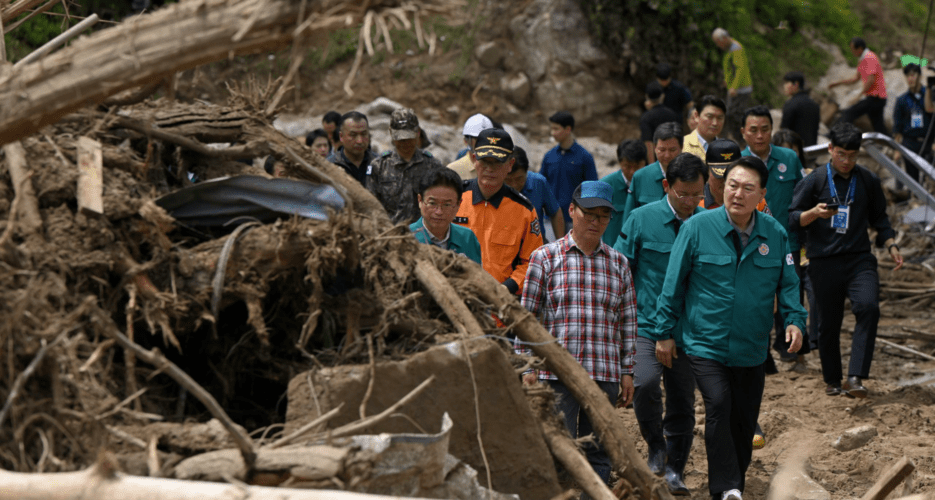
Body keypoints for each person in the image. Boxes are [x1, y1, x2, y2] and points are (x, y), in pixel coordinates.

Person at [655, 155, 807, 500]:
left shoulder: (776, 234)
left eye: (747, 188)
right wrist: (663, 332)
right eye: (732, 185)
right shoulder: (697, 227)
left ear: (762, 194)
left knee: (743, 419)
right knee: (719, 404)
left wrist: (795, 321)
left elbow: (788, 284)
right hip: (706, 343)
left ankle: (733, 481)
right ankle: (726, 489)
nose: (737, 194)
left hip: (752, 347)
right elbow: (673, 283)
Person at [520, 180, 637, 490]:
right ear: (572, 211)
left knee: (599, 453)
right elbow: (526, 318)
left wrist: (627, 372)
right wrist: (528, 367)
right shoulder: (545, 258)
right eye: (589, 213)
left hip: (604, 374)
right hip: (557, 373)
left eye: (603, 215)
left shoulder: (619, 264)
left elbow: (627, 322)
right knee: (558, 450)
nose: (596, 222)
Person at [789, 122, 904, 398]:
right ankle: (833, 379)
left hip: (859, 260)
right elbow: (793, 218)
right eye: (841, 154)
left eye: (852, 155)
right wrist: (814, 213)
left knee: (868, 307)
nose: (847, 161)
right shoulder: (815, 179)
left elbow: (880, 219)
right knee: (829, 323)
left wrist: (890, 244)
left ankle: (856, 376)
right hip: (823, 261)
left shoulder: (867, 180)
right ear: (830, 149)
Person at [614, 153, 707, 496]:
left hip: (688, 331)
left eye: (697, 195)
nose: (689, 203)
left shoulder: (706, 223)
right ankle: (656, 446)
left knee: (684, 399)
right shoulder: (641, 219)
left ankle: (674, 469)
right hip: (645, 324)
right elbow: (620, 271)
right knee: (646, 383)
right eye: (683, 194)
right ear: (667, 186)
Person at [741, 106, 808, 368]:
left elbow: (804, 193)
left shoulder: (789, 159)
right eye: (753, 130)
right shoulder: (737, 162)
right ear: (743, 132)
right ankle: (761, 354)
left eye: (765, 129)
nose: (759, 135)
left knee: (792, 293)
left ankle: (793, 349)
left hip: (788, 241)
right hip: (750, 244)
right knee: (756, 298)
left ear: (772, 130)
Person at [455, 128, 543, 295]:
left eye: (497, 162)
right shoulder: (453, 199)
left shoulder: (523, 210)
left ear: (510, 164)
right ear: (474, 159)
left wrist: (507, 288)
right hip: (454, 298)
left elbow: (533, 262)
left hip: (501, 307)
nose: (490, 168)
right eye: (485, 161)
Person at [366, 108, 444, 225]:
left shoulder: (433, 166)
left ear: (418, 133)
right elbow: (371, 206)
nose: (405, 142)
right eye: (400, 138)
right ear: (391, 133)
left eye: (409, 137)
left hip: (425, 236)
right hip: (390, 235)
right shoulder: (379, 166)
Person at [540, 111, 598, 231]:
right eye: (551, 129)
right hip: (550, 219)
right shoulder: (549, 156)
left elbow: (592, 189)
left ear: (568, 129)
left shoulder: (584, 157)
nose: (552, 133)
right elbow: (541, 185)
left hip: (575, 219)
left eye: (556, 129)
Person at [410, 167, 482, 264]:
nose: (439, 212)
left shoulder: (467, 237)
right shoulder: (405, 238)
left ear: (458, 204)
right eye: (432, 203)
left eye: (447, 205)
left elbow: (477, 276)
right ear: (420, 200)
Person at [622, 122, 682, 222]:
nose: (667, 155)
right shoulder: (640, 177)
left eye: (672, 150)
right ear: (654, 148)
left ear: (681, 148)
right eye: (662, 149)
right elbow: (628, 220)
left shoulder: (691, 176)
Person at [504, 146, 565, 241]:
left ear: (526, 171)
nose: (514, 185)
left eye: (519, 179)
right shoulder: (495, 186)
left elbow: (555, 212)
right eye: (508, 180)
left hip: (537, 245)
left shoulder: (539, 182)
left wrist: (560, 244)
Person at [830, 37, 888, 135]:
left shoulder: (869, 57)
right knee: (879, 126)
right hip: (876, 98)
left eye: (853, 49)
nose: (852, 51)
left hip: (876, 97)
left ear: (859, 48)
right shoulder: (862, 59)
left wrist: (858, 96)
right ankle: (890, 145)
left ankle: (835, 134)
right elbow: (855, 79)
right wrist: (838, 83)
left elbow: (870, 80)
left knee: (849, 113)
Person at [892, 63, 934, 183]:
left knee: (929, 178)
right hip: (909, 143)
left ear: (920, 76)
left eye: (913, 75)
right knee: (912, 180)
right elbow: (897, 127)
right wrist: (896, 150)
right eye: (907, 76)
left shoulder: (929, 94)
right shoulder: (901, 100)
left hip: (928, 142)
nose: (910, 79)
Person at [601, 139, 647, 245]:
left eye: (637, 166)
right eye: (627, 166)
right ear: (620, 162)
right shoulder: (605, 186)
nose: (632, 172)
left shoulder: (653, 185)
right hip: (613, 251)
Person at [712, 28, 753, 143]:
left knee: (734, 115)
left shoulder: (736, 49)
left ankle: (743, 140)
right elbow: (731, 68)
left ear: (723, 39)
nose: (717, 45)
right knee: (730, 114)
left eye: (717, 42)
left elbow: (740, 69)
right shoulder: (729, 49)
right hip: (734, 88)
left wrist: (734, 86)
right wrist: (727, 80)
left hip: (741, 89)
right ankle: (739, 140)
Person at [327, 111, 375, 185]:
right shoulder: (330, 166)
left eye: (364, 134)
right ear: (341, 136)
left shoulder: (381, 164)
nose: (359, 141)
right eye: (353, 135)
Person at [642, 81, 681, 164]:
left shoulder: (646, 117)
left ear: (646, 96)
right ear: (662, 96)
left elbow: (648, 143)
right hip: (671, 159)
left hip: (656, 160)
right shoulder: (672, 114)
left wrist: (651, 166)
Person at [780, 72, 821, 147]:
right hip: (812, 151)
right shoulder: (814, 104)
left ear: (796, 84)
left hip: (795, 152)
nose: (784, 86)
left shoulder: (791, 104)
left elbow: (784, 131)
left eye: (786, 83)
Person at [448, 113, 495, 179]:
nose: (484, 143)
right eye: (478, 139)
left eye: (487, 138)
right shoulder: (453, 171)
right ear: (466, 141)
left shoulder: (499, 168)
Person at [683, 96, 727, 160]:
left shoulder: (728, 149)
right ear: (697, 116)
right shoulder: (682, 145)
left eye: (719, 118)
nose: (715, 123)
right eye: (710, 116)